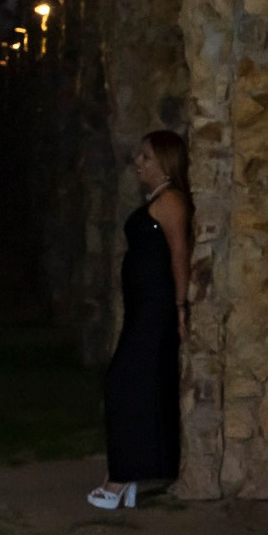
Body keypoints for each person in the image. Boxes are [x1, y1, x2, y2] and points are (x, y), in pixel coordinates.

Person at [89, 130, 190, 509]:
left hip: (156, 307)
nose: (138, 163)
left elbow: (179, 254)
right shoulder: (157, 200)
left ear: (164, 161)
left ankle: (120, 478)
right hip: (142, 306)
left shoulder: (171, 202)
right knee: (129, 385)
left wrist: (180, 307)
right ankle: (121, 475)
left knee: (124, 383)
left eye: (146, 157)